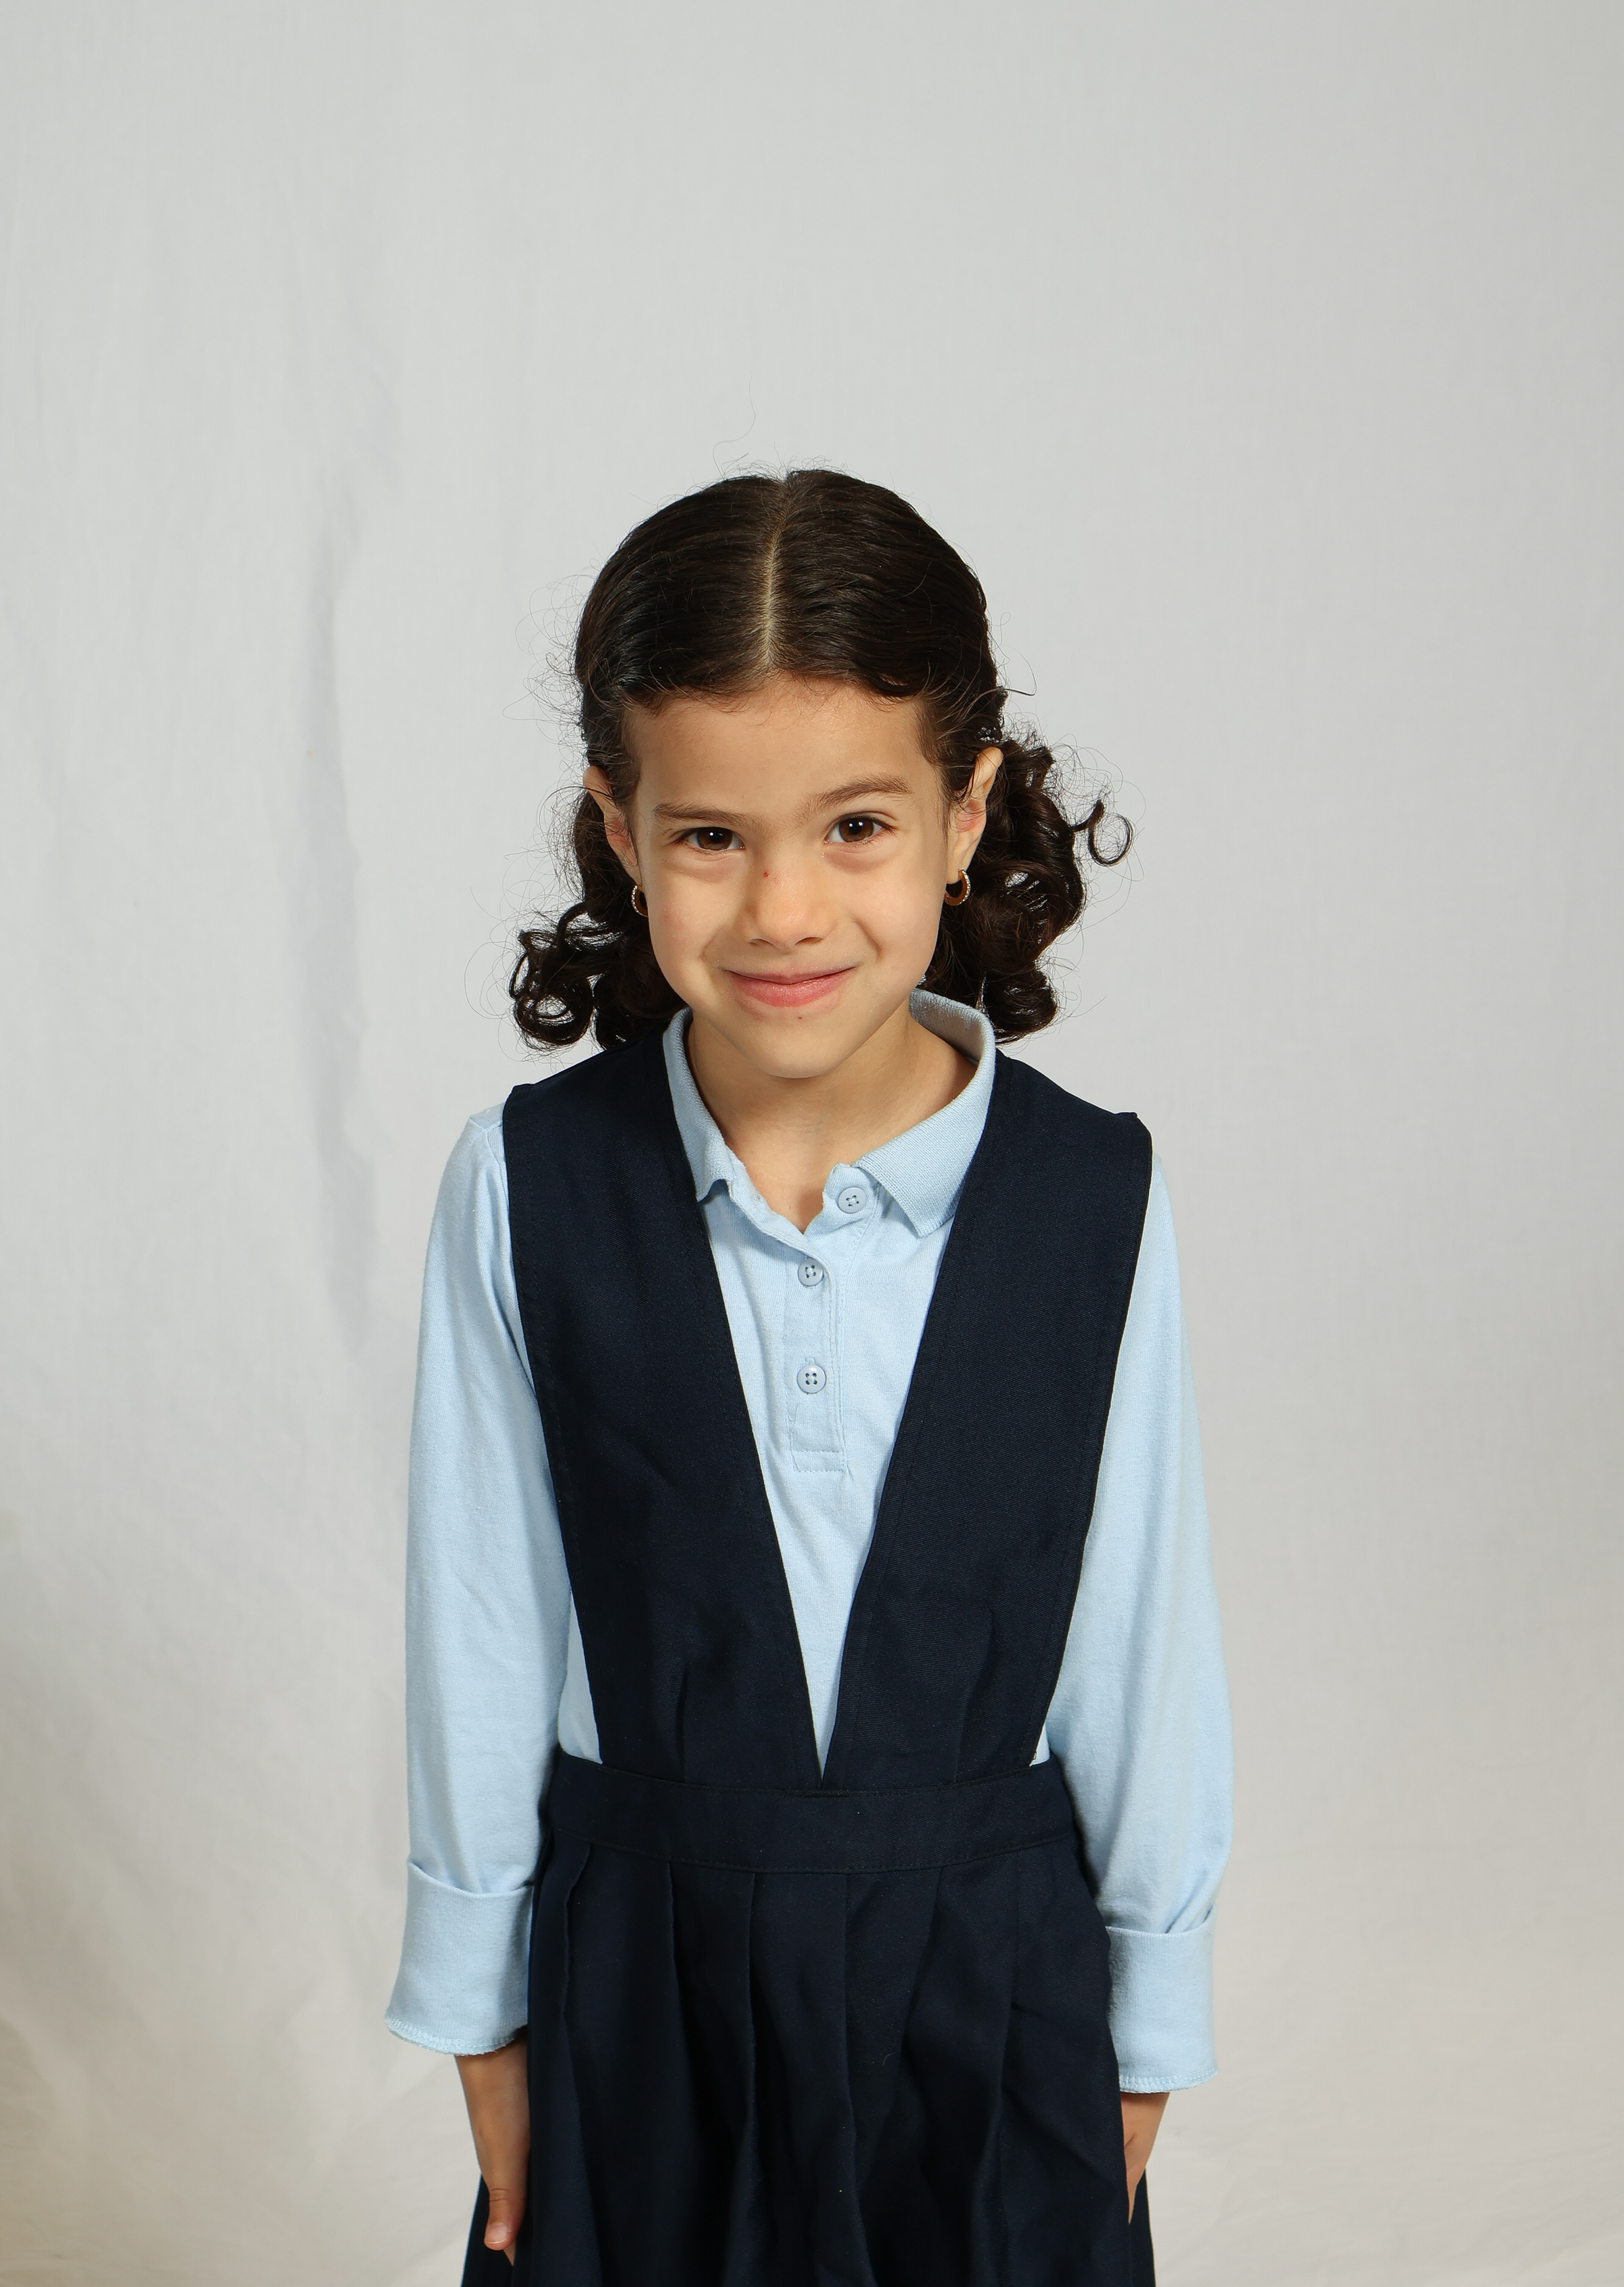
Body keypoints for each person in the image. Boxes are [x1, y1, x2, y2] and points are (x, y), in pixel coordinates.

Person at [386, 468, 1232, 2287]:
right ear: (619, 828)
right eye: (711, 835)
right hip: (639, 1990)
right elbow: (481, 1624)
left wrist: (1147, 2026)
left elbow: (1141, 1632)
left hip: (993, 1988)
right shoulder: (527, 1186)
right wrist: (482, 2018)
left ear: (963, 812)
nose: (783, 907)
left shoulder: (1094, 1197)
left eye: (856, 825)